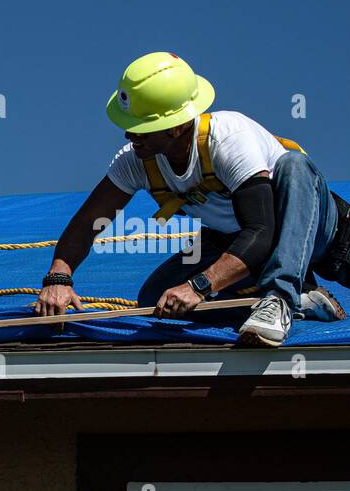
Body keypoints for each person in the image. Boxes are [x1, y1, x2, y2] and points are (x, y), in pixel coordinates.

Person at [34, 52, 350, 346]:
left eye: (143, 129)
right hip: (240, 243)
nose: (130, 136)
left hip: (319, 232)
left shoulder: (228, 139)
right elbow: (89, 222)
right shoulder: (135, 161)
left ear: (178, 126)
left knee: (294, 165)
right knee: (155, 300)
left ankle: (280, 297)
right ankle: (298, 301)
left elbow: (261, 231)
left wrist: (199, 285)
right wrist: (59, 277)